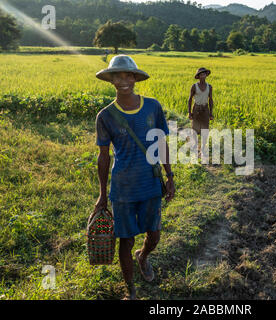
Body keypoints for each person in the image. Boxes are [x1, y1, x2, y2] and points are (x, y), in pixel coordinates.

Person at [93, 55, 175, 300]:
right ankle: (131, 290)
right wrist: (101, 195)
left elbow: (161, 142)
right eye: (118, 75)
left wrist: (169, 176)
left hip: (150, 183)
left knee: (155, 234)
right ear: (111, 80)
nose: (124, 80)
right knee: (125, 241)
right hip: (123, 189)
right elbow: (104, 157)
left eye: (129, 75)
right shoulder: (105, 116)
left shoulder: (152, 107)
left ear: (135, 78)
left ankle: (144, 256)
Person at [188, 67, 214, 158]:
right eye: (201, 74)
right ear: (198, 76)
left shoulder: (209, 87)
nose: (203, 75)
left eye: (204, 74)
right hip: (196, 110)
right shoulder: (194, 86)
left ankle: (202, 150)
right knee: (194, 131)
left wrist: (211, 113)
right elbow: (190, 99)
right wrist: (189, 113)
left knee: (205, 131)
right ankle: (195, 149)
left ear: (206, 75)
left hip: (205, 110)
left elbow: (210, 99)